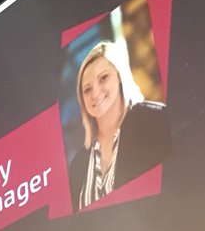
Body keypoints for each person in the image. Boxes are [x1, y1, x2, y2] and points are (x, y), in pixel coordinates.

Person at [69, 38, 171, 209]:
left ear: (120, 76)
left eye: (103, 78)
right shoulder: (77, 165)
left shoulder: (156, 120)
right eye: (87, 89)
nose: (95, 93)